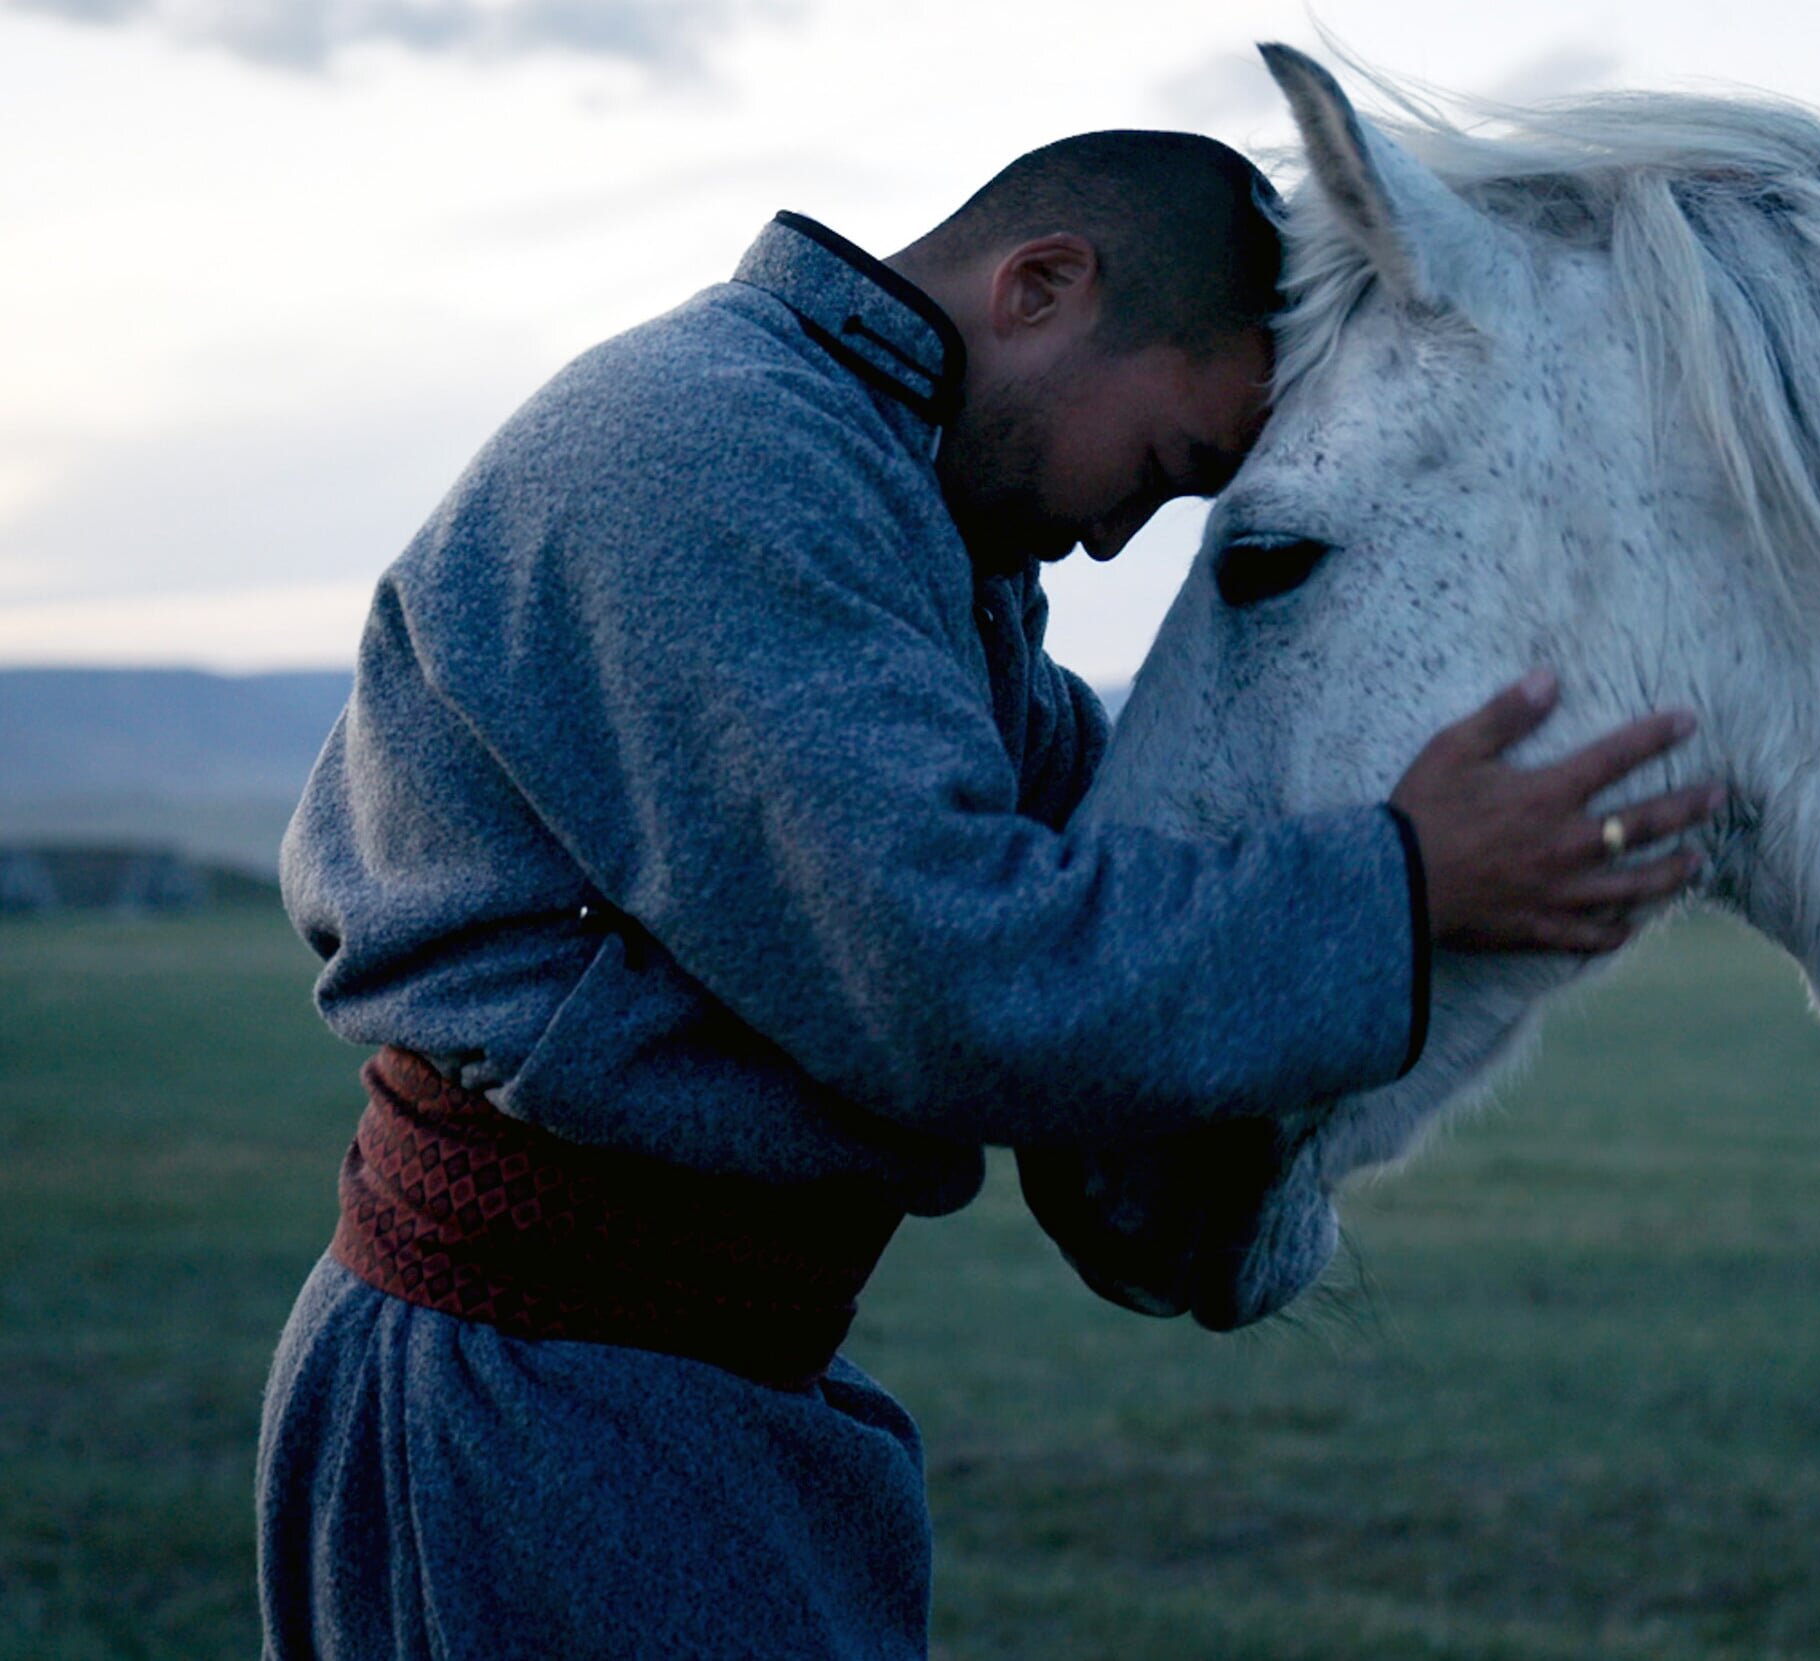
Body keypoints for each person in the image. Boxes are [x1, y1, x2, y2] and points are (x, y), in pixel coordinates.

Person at [256, 130, 1720, 1659]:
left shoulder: (895, 494)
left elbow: (1097, 845)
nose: (1109, 536)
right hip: (533, 1405)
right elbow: (946, 972)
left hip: (668, 1387)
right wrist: (1405, 887)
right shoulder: (711, 456)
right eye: (1158, 472)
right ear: (1041, 287)